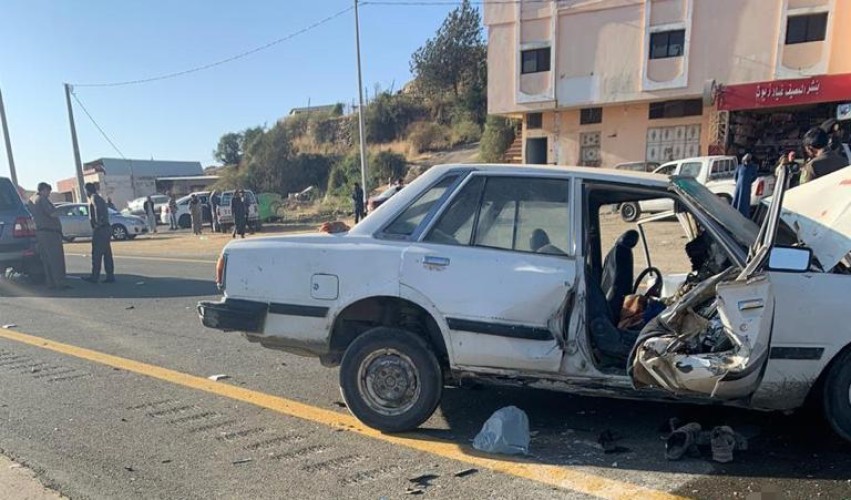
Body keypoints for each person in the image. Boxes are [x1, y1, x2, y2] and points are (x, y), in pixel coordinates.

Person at [28, 182, 69, 289]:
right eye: (48, 191)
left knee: (46, 260)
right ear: (43, 190)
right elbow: (51, 213)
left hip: (40, 232)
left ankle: (50, 282)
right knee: (56, 259)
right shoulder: (42, 199)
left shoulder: (31, 199)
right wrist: (61, 212)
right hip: (50, 233)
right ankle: (59, 282)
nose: (49, 194)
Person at [83, 183, 115, 284]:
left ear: (87, 190)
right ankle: (110, 276)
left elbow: (97, 211)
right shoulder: (99, 198)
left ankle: (94, 276)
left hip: (101, 230)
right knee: (107, 254)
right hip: (105, 229)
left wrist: (97, 224)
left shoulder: (94, 198)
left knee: (96, 254)